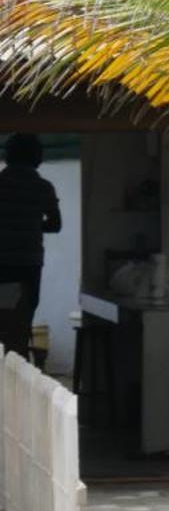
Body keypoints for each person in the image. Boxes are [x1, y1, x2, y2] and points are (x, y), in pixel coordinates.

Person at [0, 133, 61, 359]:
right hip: (29, 265)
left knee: (3, 322)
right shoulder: (43, 187)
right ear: (38, 158)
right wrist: (33, 225)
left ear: (8, 156)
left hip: (2, 265)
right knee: (22, 323)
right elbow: (55, 225)